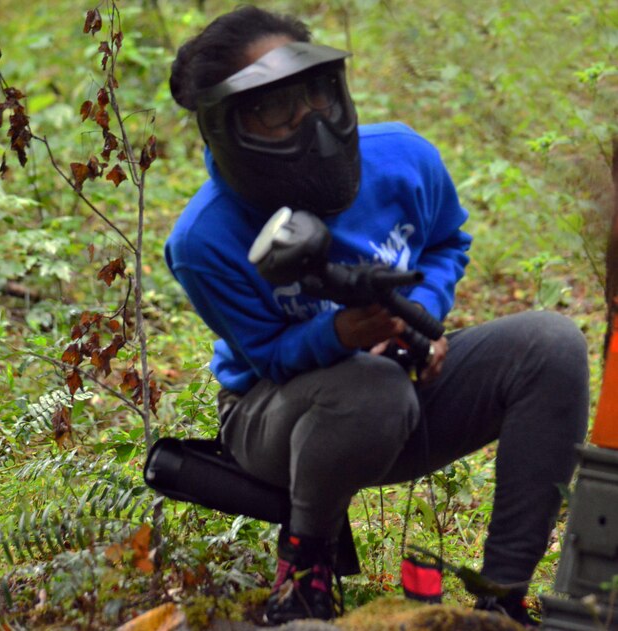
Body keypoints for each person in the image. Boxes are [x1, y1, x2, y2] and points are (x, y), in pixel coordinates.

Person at [165, 6, 589, 626]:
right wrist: (342, 335)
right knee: (370, 388)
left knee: (550, 344)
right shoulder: (205, 239)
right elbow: (272, 358)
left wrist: (418, 314)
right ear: (227, 127)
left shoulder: (402, 157)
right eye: (276, 108)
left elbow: (448, 241)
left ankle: (503, 598)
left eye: (314, 93)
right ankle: (303, 575)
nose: (308, 119)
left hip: (404, 388)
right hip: (275, 420)